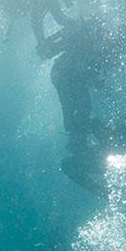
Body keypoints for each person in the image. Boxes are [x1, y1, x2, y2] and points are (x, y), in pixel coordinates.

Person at [40, 16, 115, 150]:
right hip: (64, 75)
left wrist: (97, 82)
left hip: (65, 75)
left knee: (79, 109)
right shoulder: (85, 42)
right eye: (103, 36)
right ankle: (79, 140)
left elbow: (87, 70)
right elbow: (83, 67)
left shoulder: (89, 45)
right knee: (77, 108)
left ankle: (79, 140)